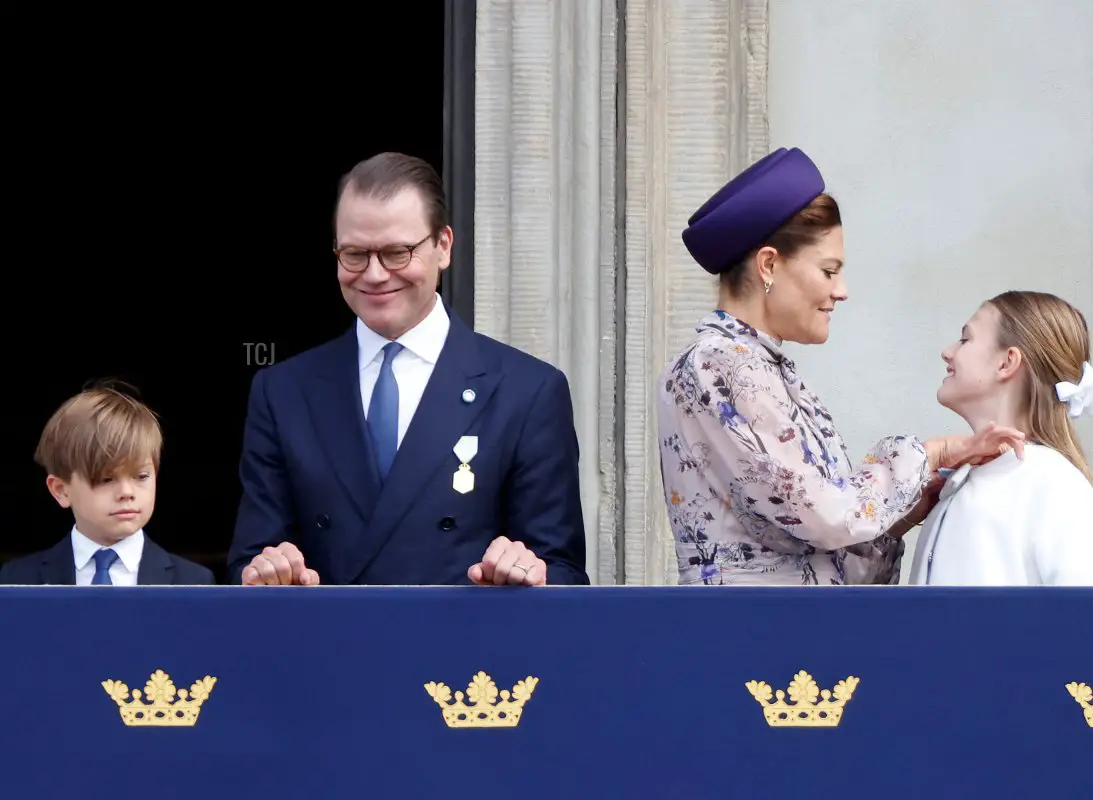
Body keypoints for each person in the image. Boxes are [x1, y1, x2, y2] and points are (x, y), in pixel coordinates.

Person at [657, 146, 1025, 586]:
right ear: (769, 265)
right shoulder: (718, 364)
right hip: (749, 640)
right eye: (829, 271)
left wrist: (902, 510)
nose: (842, 290)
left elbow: (814, 548)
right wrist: (931, 454)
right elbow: (822, 514)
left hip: (781, 638)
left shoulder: (761, 366)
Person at [227, 152, 589, 587]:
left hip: (464, 651)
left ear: (444, 246)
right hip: (330, 650)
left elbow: (564, 573)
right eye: (355, 254)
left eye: (397, 252)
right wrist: (268, 572)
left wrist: (529, 574)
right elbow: (248, 566)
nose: (375, 274)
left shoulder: (527, 391)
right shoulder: (282, 392)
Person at [905, 291, 1093, 585]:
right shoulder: (955, 482)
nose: (948, 351)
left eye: (965, 339)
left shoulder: (1054, 484)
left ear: (1006, 362)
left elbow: (1092, 621)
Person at [0, 385, 214, 586]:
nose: (127, 493)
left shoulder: (194, 581)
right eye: (106, 479)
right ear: (61, 490)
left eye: (141, 476)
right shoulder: (15, 579)